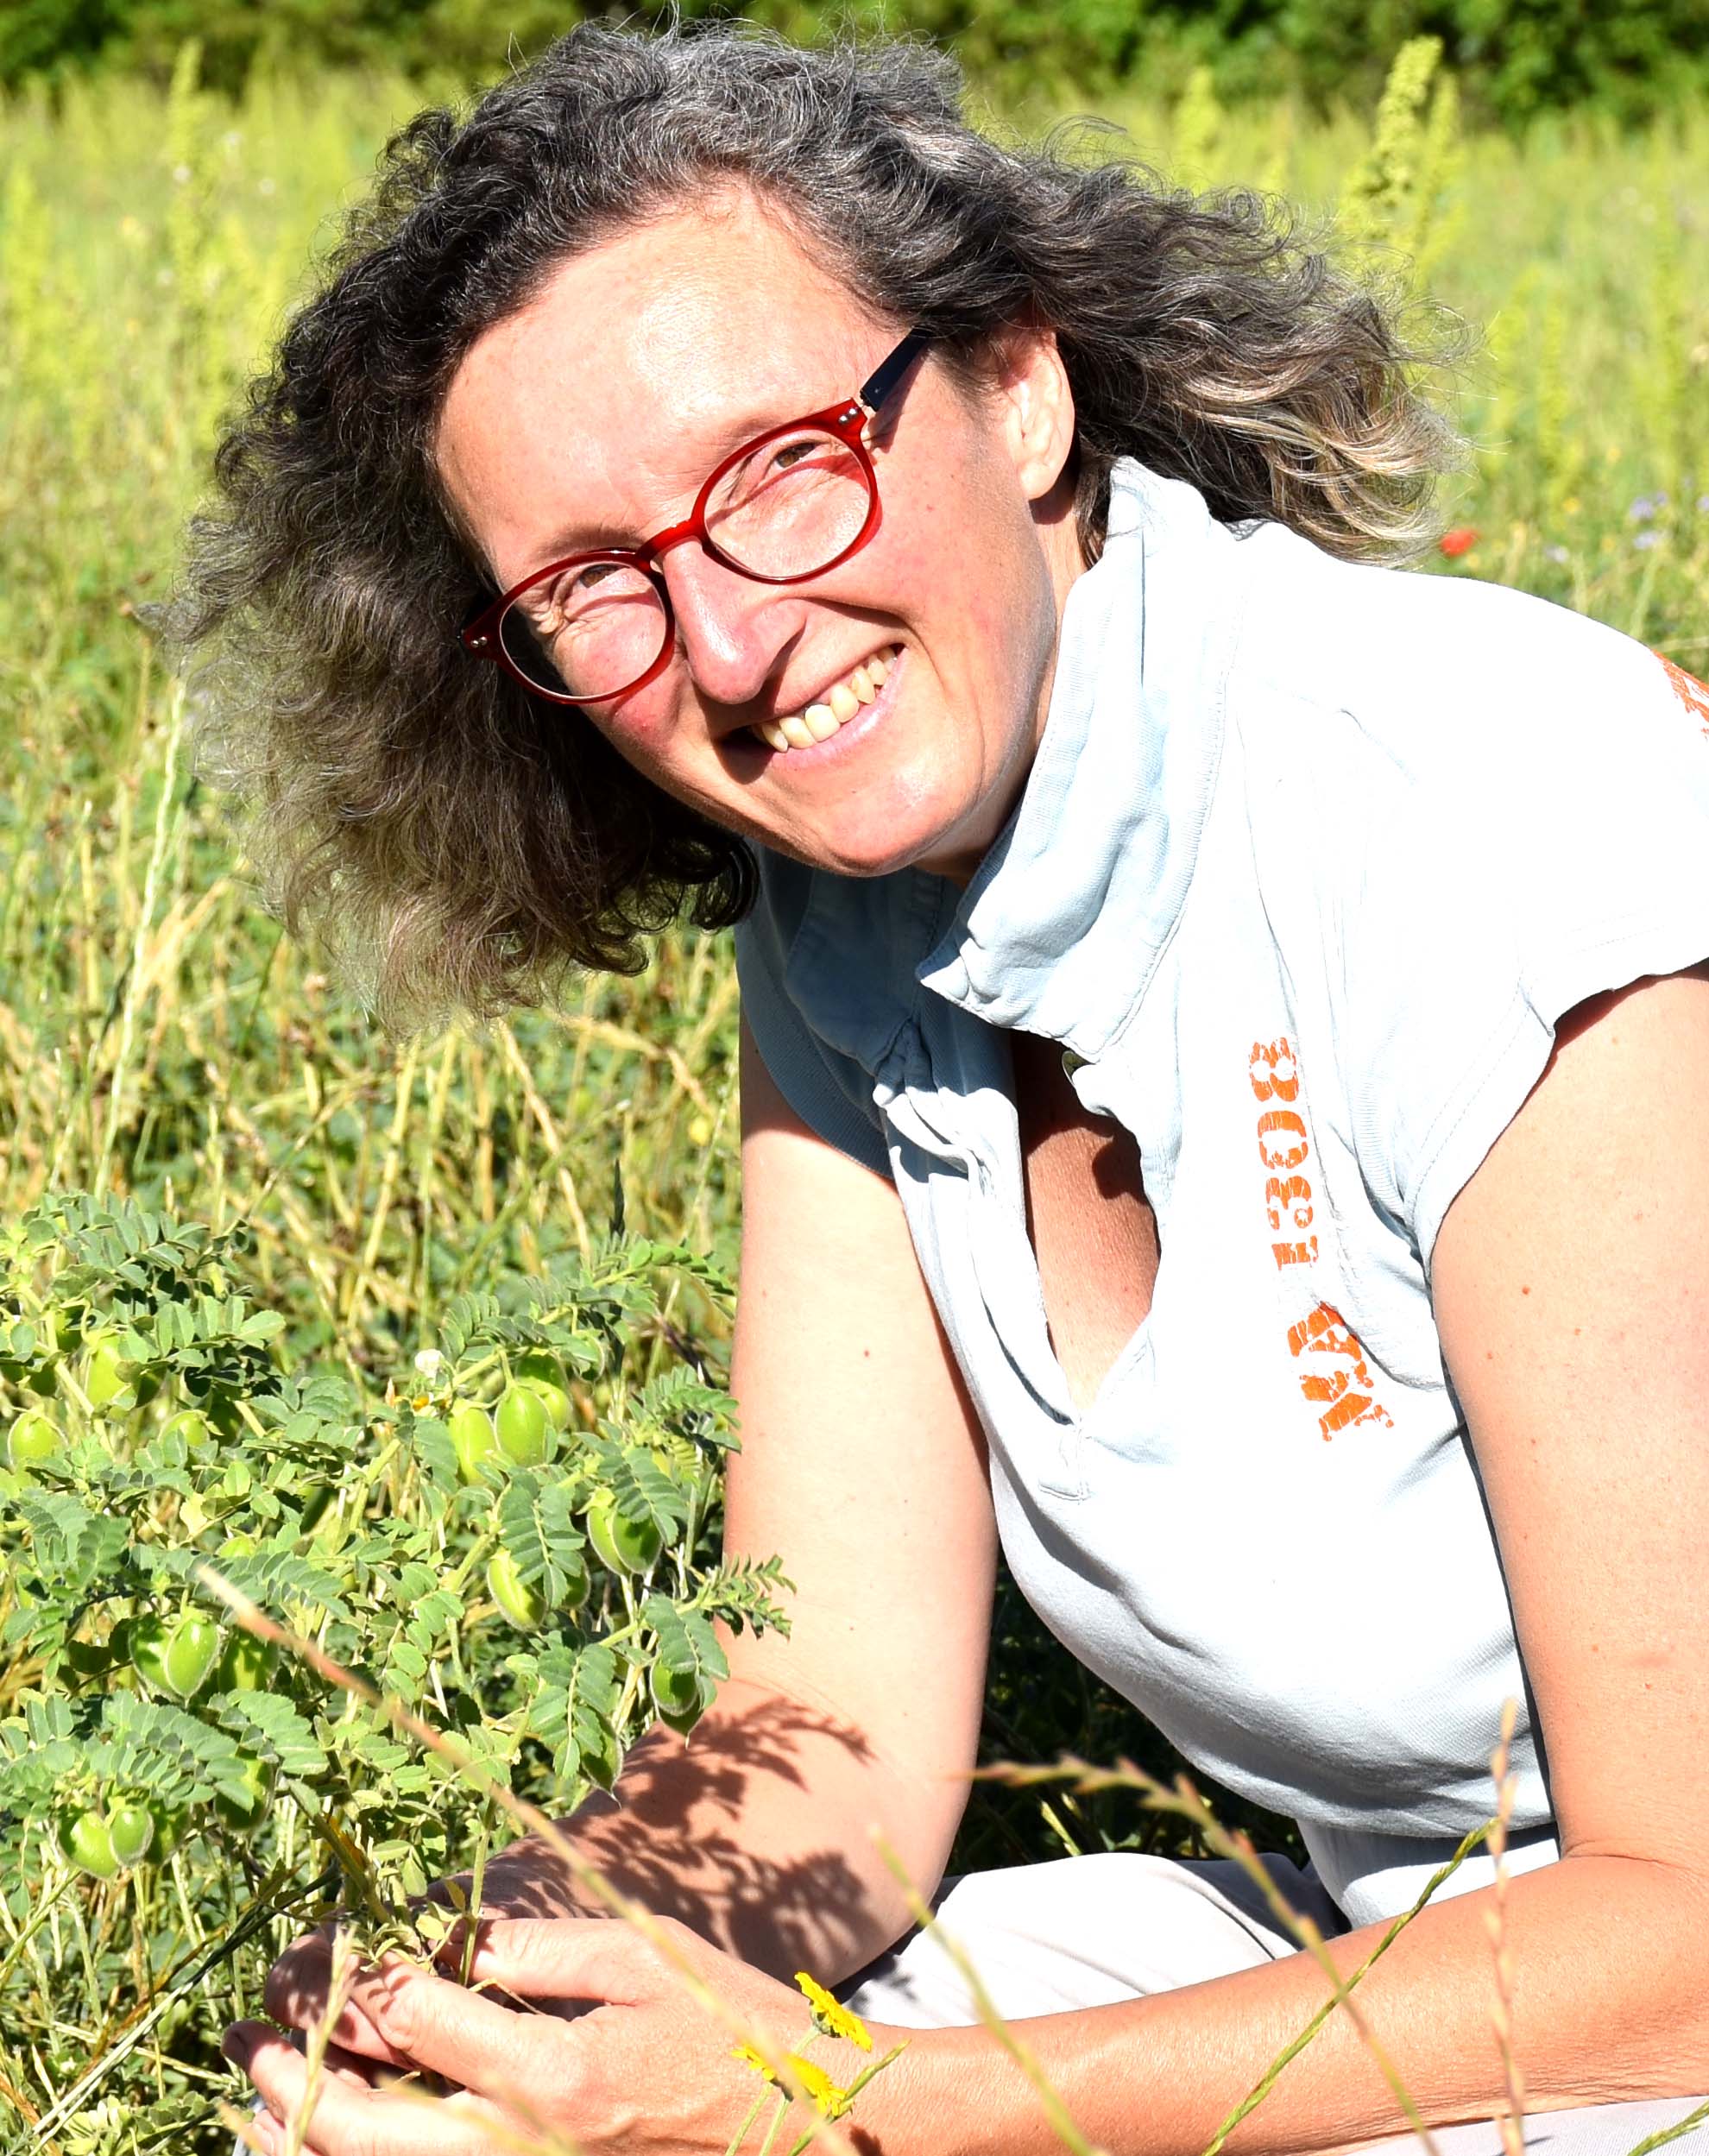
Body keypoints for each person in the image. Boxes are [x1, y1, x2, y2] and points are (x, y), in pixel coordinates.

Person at [170, 21, 1709, 2156]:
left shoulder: (1493, 822)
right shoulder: (850, 914)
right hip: (1432, 1950)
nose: (725, 643)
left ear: (1020, 382)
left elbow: (1691, 1928)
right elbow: (838, 1748)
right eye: (595, 585)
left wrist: (844, 2105)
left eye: (785, 463)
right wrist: (492, 1995)